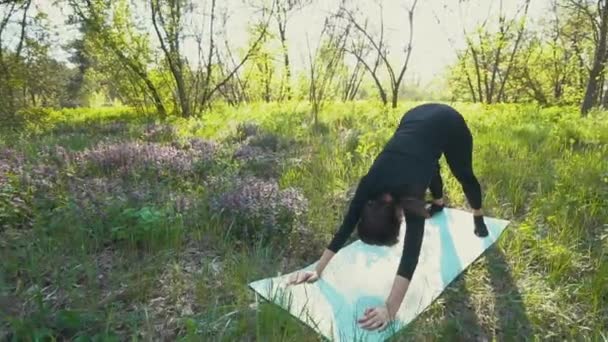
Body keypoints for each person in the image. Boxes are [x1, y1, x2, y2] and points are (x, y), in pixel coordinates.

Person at [288, 103, 489, 331]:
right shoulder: (369, 186)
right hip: (414, 121)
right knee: (428, 160)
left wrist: (390, 309)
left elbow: (411, 254)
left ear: (397, 212)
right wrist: (318, 268)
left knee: (464, 174)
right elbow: (345, 227)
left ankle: (478, 214)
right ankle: (439, 202)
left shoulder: (411, 194)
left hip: (448, 122)